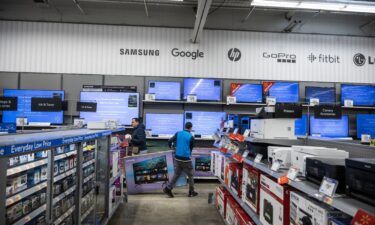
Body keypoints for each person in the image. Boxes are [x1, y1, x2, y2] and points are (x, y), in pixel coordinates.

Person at [163, 122, 198, 198]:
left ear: (185, 127)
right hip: (186, 159)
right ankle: (191, 191)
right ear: (191, 128)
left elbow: (169, 141)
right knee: (191, 175)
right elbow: (191, 148)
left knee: (177, 174)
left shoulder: (178, 133)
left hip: (177, 157)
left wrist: (172, 148)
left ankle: (168, 188)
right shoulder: (191, 137)